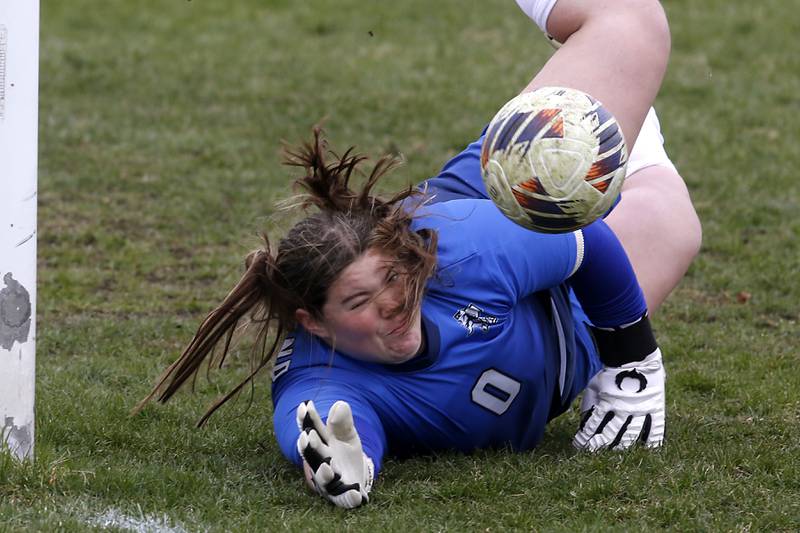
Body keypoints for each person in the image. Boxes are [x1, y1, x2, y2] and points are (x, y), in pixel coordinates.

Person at [135, 0, 701, 510]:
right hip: (567, 335)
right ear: (315, 324)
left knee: (634, 23)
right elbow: (325, 427)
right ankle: (620, 121)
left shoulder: (460, 245)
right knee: (674, 223)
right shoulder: (322, 377)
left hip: (498, 200)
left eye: (387, 279)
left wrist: (632, 363)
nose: (390, 302)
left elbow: (585, 243)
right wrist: (344, 467)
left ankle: (585, 123)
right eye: (358, 299)